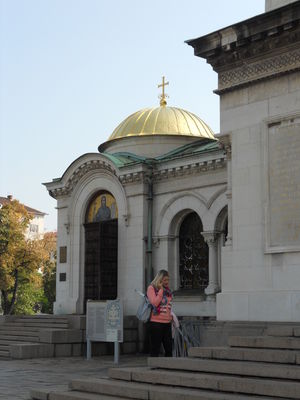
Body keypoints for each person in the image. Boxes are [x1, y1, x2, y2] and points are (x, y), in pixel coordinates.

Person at [147, 269, 173, 357]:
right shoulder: (151, 288)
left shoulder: (168, 290)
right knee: (155, 348)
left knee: (169, 348)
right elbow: (154, 303)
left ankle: (168, 367)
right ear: (160, 280)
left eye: (168, 280)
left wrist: (171, 316)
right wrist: (161, 291)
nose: (167, 282)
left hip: (167, 323)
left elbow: (168, 306)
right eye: (165, 280)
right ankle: (154, 367)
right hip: (156, 323)